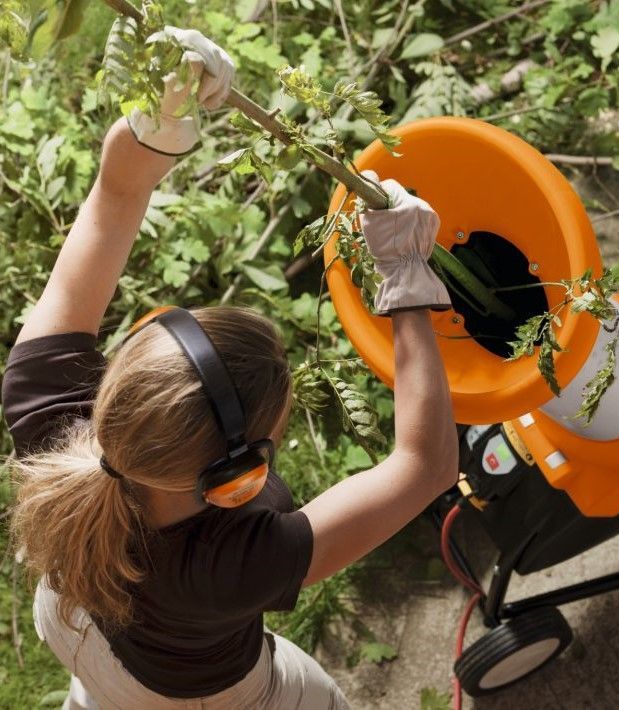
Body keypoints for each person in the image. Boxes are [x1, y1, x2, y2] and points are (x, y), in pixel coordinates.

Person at [2, 26, 457, 709]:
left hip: (73, 626)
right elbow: (426, 466)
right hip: (188, 693)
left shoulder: (47, 415)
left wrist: (160, 117)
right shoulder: (232, 563)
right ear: (236, 477)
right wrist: (407, 277)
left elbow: (114, 197)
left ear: (121, 382)